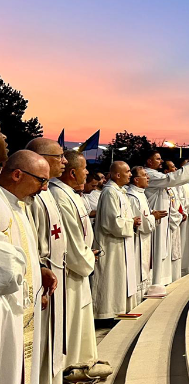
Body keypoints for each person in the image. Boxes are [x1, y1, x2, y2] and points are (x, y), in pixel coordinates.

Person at [0, 150, 52, 384]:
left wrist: (38, 271)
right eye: (41, 180)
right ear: (18, 174)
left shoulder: (18, 206)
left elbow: (22, 248)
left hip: (22, 302)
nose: (44, 188)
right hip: (7, 306)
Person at [48, 151, 98, 367]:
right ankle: (71, 366)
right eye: (85, 168)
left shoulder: (69, 194)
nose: (87, 172)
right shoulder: (60, 196)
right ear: (72, 172)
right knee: (71, 320)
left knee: (80, 319)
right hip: (70, 270)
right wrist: (88, 258)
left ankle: (81, 361)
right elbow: (71, 237)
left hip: (78, 265)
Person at [26, 138, 68, 384]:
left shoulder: (48, 193)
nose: (63, 161)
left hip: (53, 271)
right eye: (59, 157)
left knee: (52, 338)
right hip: (41, 275)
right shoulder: (32, 197)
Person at [91, 161, 140, 319]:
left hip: (120, 244)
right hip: (110, 245)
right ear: (117, 175)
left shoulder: (119, 191)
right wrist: (131, 222)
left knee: (118, 278)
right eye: (127, 171)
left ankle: (117, 310)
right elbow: (110, 222)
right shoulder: (110, 193)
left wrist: (131, 221)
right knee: (110, 278)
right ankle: (106, 313)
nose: (130, 174)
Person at [143, 151, 189, 285]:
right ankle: (156, 282)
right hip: (156, 221)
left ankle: (163, 281)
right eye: (158, 159)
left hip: (165, 221)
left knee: (164, 251)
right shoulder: (149, 174)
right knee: (157, 251)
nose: (160, 161)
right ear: (149, 161)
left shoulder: (156, 174)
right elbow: (170, 179)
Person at [126, 167, 162, 302]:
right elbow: (142, 223)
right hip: (137, 242)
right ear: (136, 180)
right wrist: (154, 217)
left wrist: (154, 216)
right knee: (138, 270)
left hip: (145, 240)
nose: (148, 178)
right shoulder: (133, 197)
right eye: (144, 175)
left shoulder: (141, 194)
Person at [163, 161, 186, 282]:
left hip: (176, 222)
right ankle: (169, 280)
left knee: (176, 251)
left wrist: (182, 213)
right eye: (173, 167)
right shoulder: (164, 187)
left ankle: (176, 279)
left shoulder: (172, 186)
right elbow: (167, 206)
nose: (176, 168)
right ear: (166, 172)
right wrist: (179, 216)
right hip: (170, 224)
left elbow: (178, 202)